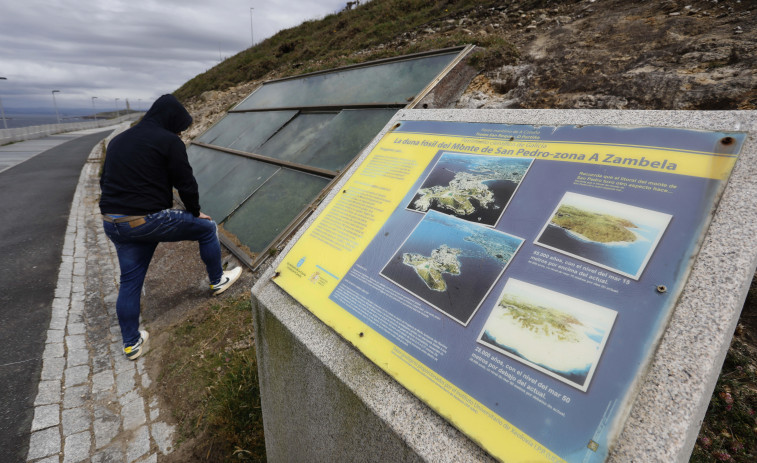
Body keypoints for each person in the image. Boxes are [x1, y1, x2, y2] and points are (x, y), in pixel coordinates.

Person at [99, 94, 242, 361]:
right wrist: (195, 212)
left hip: (113, 222)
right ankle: (217, 280)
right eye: (180, 127)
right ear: (171, 121)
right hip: (146, 221)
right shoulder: (168, 141)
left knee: (129, 281)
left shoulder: (119, 141)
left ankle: (131, 343)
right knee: (206, 228)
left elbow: (105, 182)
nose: (180, 132)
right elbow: (185, 183)